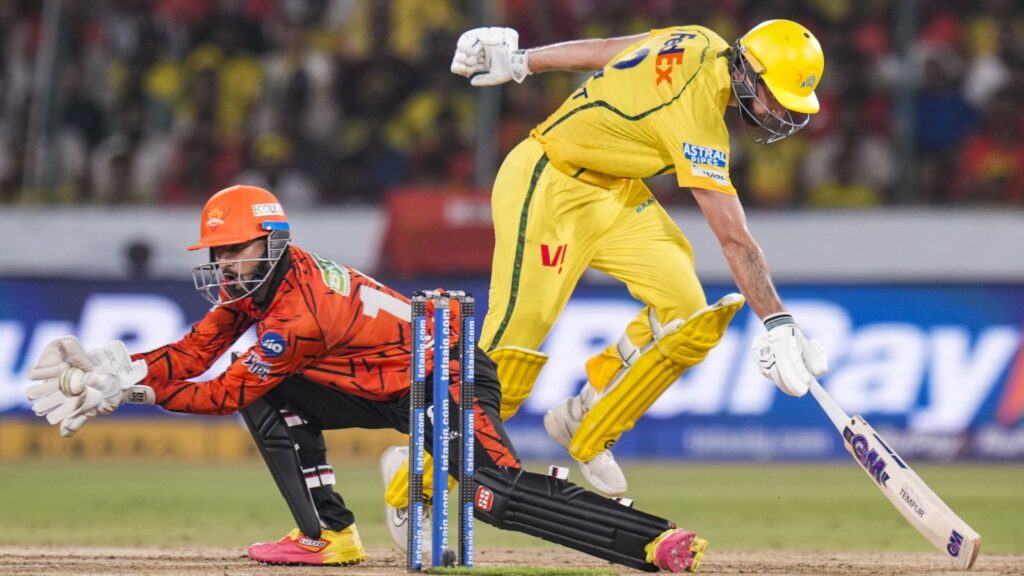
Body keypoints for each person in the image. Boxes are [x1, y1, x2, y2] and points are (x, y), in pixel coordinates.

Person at [25, 184, 709, 573]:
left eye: (234, 251)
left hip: (446, 378)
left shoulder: (298, 313)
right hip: (380, 384)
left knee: (487, 494)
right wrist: (119, 369)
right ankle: (327, 536)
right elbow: (192, 350)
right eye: (217, 254)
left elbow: (220, 391)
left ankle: (651, 540)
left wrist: (136, 394)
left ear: (271, 240)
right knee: (270, 394)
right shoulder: (261, 286)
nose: (225, 265)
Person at [384, 19, 830, 517]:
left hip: (616, 193)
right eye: (776, 97)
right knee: (503, 375)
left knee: (687, 317)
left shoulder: (701, 39)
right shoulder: (697, 118)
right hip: (549, 183)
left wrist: (525, 60)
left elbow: (610, 50)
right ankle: (411, 487)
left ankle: (585, 416)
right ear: (747, 69)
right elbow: (733, 238)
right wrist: (776, 319)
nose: (780, 112)